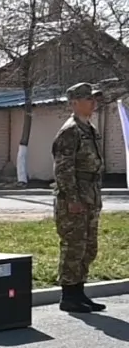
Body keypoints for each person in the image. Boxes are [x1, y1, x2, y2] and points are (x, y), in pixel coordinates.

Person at [53, 82, 108, 313]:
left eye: (94, 99)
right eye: (88, 99)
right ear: (74, 103)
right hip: (74, 198)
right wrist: (73, 199)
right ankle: (69, 295)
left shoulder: (90, 129)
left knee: (88, 247)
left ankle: (80, 292)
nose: (93, 103)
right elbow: (63, 169)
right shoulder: (70, 131)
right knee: (73, 246)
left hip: (90, 195)